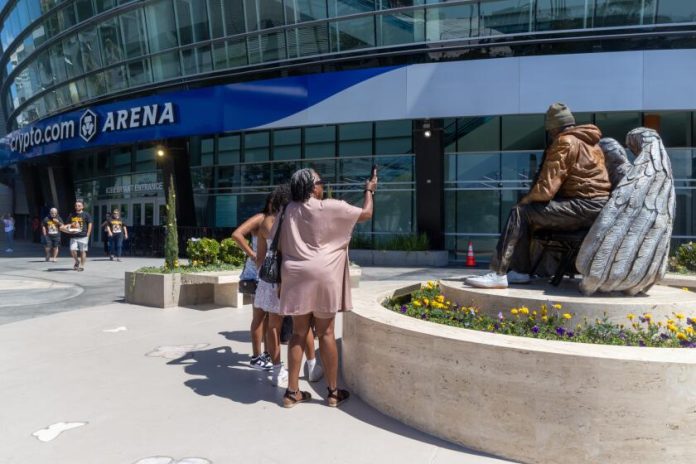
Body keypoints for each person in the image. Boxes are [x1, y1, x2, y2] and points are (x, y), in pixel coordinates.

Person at [467, 103, 612, 289]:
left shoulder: (565, 141)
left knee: (520, 212)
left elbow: (546, 189)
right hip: (596, 208)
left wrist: (525, 200)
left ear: (553, 129)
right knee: (526, 214)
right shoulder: (592, 144)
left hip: (582, 206)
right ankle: (519, 272)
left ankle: (498, 272)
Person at [278, 168, 377, 408]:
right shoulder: (330, 206)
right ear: (313, 187)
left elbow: (277, 243)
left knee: (299, 333)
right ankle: (333, 392)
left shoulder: (287, 210)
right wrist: (369, 190)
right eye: (321, 182)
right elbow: (366, 213)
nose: (323, 186)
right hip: (324, 276)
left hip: (295, 276)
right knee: (327, 333)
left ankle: (292, 393)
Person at [256, 184, 324, 388]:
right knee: (302, 325)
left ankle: (278, 372)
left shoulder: (266, 222)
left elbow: (259, 259)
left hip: (272, 279)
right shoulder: (296, 220)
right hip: (294, 278)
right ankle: (312, 367)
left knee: (273, 326)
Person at [231, 201, 272, 371]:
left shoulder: (273, 220)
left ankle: (267, 354)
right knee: (259, 317)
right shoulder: (261, 218)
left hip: (267, 275)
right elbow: (237, 234)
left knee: (269, 318)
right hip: (256, 275)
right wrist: (253, 254)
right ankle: (256, 357)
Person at [62, 200, 93, 272]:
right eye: (76, 205)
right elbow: (68, 224)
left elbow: (90, 224)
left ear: (82, 206)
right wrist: (65, 228)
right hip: (74, 236)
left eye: (79, 205)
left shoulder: (86, 214)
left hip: (83, 236)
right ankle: (77, 261)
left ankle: (82, 265)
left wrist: (88, 234)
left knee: (83, 251)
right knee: (72, 250)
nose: (77, 207)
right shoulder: (72, 214)